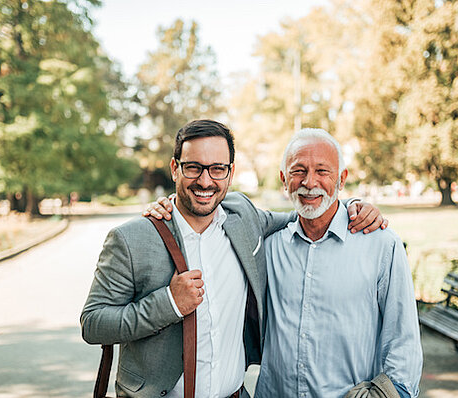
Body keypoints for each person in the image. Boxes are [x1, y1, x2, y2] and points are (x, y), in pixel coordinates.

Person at [81, 120, 386, 398]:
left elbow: (304, 212)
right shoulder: (131, 239)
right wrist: (169, 304)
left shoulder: (243, 216)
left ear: (230, 172)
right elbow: (93, 323)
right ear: (175, 168)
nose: (205, 181)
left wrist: (352, 207)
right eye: (193, 168)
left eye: (217, 169)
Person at [254, 128, 422, 398]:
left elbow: (403, 340)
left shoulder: (381, 245)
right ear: (284, 180)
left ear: (342, 179)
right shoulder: (269, 248)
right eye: (298, 171)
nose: (310, 182)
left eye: (323, 171)